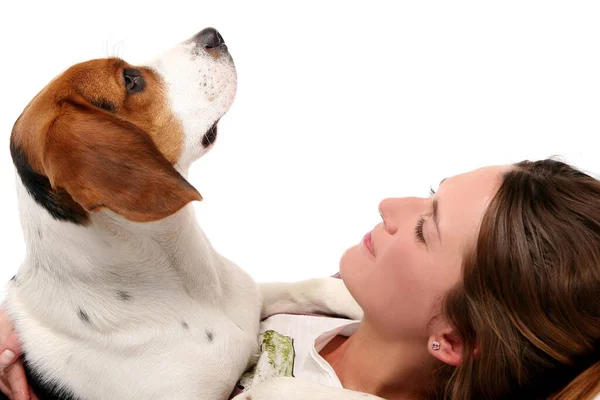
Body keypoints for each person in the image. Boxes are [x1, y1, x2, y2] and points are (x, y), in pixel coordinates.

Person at [1, 159, 599, 400]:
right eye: (431, 193)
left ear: (453, 338)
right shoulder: (316, 316)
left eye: (426, 229)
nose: (392, 205)